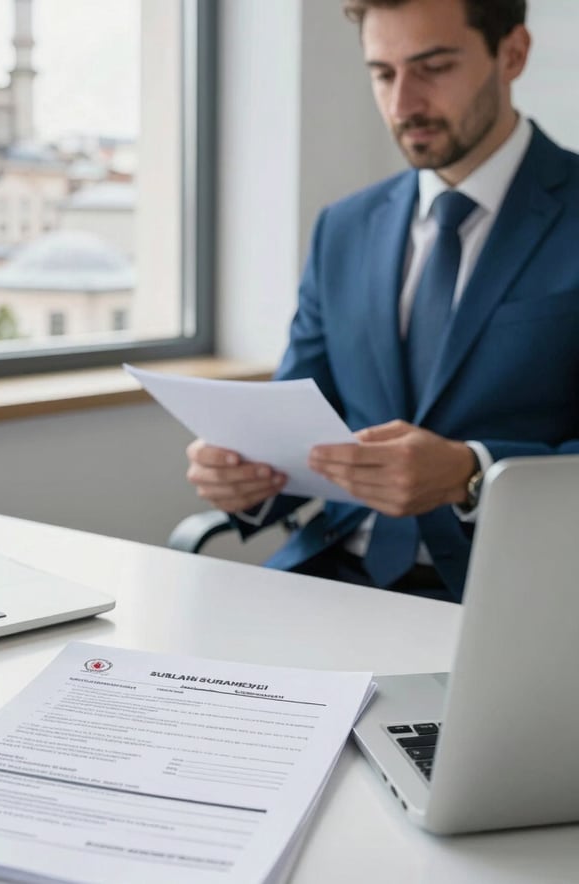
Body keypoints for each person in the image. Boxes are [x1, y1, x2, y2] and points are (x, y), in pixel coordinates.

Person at [185, 0, 579, 603]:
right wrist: (249, 478)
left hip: (513, 599)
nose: (403, 105)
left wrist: (471, 473)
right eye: (383, 73)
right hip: (330, 578)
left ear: (513, 54)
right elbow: (302, 423)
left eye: (434, 67)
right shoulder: (342, 228)